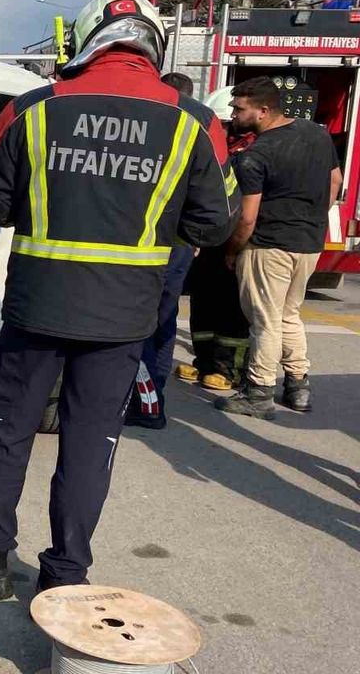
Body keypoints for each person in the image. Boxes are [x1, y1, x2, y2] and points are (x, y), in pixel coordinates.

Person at [0, 0, 238, 600]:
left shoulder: (32, 111)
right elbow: (215, 224)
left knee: (8, 433)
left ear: (90, 37)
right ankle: (65, 578)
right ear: (153, 43)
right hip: (124, 320)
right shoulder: (196, 123)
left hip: (36, 310)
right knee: (90, 446)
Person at [216, 76, 343, 417]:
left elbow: (247, 217)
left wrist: (232, 250)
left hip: (268, 246)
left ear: (264, 110)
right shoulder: (317, 134)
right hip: (309, 244)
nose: (232, 112)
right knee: (290, 315)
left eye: (239, 107)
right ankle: (298, 386)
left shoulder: (255, 155)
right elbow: (336, 180)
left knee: (265, 321)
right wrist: (314, 219)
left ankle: (258, 392)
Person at [123, 72, 198, 429]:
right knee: (164, 325)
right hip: (181, 247)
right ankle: (154, 397)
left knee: (141, 327)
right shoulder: (199, 130)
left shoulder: (161, 130)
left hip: (154, 246)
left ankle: (147, 406)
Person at [177, 87, 254, 392]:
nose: (221, 129)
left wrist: (236, 247)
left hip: (233, 243)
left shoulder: (247, 154)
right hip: (208, 241)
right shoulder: (213, 151)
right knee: (203, 304)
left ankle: (229, 369)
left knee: (231, 310)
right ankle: (204, 362)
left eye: (226, 123)